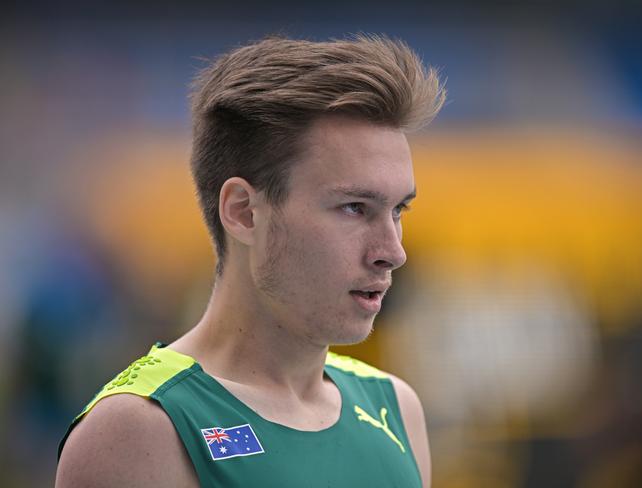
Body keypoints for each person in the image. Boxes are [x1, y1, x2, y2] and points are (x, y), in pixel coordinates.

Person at [56, 34, 445, 487]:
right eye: (355, 208)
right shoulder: (140, 430)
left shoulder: (395, 408)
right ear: (243, 211)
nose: (393, 252)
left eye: (398, 210)